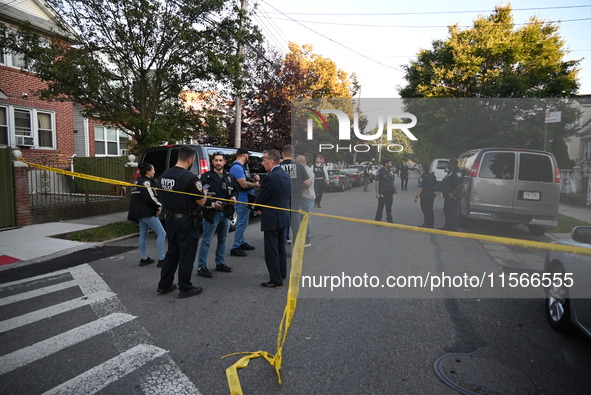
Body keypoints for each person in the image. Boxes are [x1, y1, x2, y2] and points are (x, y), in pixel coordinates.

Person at [156, 145, 207, 299]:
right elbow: (201, 202)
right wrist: (204, 192)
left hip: (170, 220)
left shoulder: (165, 174)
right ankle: (185, 287)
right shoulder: (190, 178)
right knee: (187, 254)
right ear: (190, 160)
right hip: (186, 221)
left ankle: (164, 285)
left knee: (172, 252)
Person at [196, 152, 238, 278]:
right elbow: (201, 196)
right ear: (212, 162)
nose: (218, 162)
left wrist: (234, 197)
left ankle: (220, 263)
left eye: (221, 160)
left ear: (224, 162)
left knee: (223, 239)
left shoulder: (230, 177)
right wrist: (212, 203)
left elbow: (236, 190)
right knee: (206, 240)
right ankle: (201, 266)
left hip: (225, 214)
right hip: (211, 213)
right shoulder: (206, 177)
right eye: (216, 160)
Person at [256, 149, 291, 288]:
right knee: (280, 248)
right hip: (283, 216)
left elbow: (263, 197)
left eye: (264, 159)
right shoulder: (285, 175)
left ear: (271, 161)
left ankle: (275, 280)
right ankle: (282, 274)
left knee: (271, 251)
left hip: (272, 217)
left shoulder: (271, 177)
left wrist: (256, 207)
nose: (262, 162)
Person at [127, 162, 166, 267]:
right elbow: (150, 197)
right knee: (162, 234)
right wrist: (159, 206)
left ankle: (143, 258)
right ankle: (162, 259)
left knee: (143, 235)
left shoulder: (137, 182)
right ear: (148, 172)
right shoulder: (145, 182)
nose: (154, 171)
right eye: (153, 170)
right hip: (147, 213)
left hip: (139, 213)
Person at [229, 147, 260, 257]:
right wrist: (255, 185)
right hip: (241, 199)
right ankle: (235, 246)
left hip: (246, 198)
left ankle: (241, 242)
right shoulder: (237, 167)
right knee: (241, 223)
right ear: (245, 155)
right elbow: (243, 184)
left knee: (244, 222)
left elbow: (246, 181)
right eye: (248, 156)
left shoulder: (242, 167)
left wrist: (253, 179)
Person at [280, 145, 311, 244]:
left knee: (282, 223)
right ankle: (296, 246)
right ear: (293, 154)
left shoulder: (278, 167)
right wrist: (298, 184)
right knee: (295, 224)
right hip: (296, 199)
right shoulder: (299, 166)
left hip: (281, 199)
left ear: (282, 154)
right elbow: (307, 182)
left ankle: (282, 245)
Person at [439, 157, 465, 231]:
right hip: (447, 196)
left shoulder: (457, 172)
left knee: (452, 212)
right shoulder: (451, 172)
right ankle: (447, 226)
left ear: (451, 163)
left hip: (453, 197)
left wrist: (453, 194)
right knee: (447, 210)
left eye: (449, 163)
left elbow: (461, 185)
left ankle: (453, 228)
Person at [296, 155, 315, 247]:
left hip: (307, 197)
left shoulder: (307, 170)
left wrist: (295, 186)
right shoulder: (302, 169)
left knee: (305, 219)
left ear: (303, 162)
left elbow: (307, 185)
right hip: (303, 197)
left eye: (298, 162)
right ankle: (303, 238)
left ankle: (307, 239)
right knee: (301, 219)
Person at [414, 163, 437, 228]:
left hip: (425, 195)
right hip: (431, 195)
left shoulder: (422, 177)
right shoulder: (432, 176)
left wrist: (416, 197)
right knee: (430, 209)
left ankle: (426, 223)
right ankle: (431, 223)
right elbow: (436, 184)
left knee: (425, 210)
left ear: (423, 169)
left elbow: (420, 188)